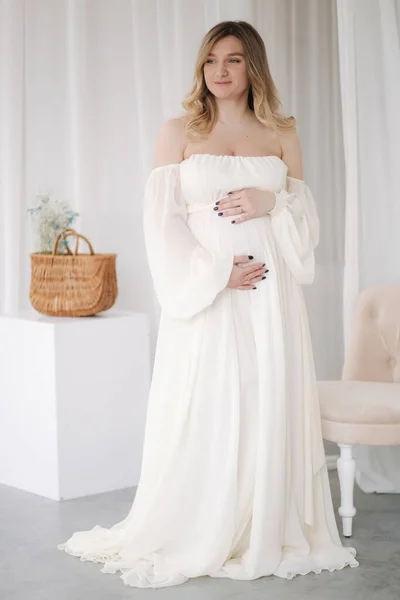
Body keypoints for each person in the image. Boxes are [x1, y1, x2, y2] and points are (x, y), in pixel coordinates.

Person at [58, 20, 359, 588]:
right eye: (212, 60)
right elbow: (162, 226)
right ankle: (203, 522)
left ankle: (263, 521)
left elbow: (306, 222)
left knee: (265, 398)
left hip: (271, 299)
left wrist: (272, 199)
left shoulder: (282, 133)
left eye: (235, 60)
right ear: (201, 68)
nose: (221, 71)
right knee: (213, 400)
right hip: (207, 300)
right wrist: (218, 273)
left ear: (255, 67)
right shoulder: (180, 132)